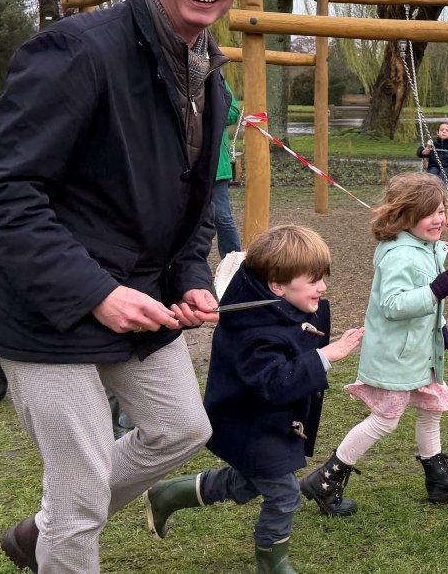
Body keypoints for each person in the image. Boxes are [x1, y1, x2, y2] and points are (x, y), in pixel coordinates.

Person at [0, 0, 244, 569]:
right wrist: (95, 292)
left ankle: (45, 530)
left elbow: (194, 205)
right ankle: (63, 528)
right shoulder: (77, 51)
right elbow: (0, 188)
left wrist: (194, 278)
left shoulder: (210, 75)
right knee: (80, 497)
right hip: (42, 303)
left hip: (138, 290)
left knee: (183, 427)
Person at [142, 225, 364, 573]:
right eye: (315, 279)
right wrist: (326, 357)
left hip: (269, 422)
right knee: (284, 493)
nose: (323, 286)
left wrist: (322, 351)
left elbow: (298, 350)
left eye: (324, 277)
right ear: (277, 284)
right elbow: (273, 383)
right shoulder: (252, 329)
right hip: (247, 424)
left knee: (248, 484)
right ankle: (272, 565)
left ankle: (170, 494)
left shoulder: (288, 305)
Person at [301, 172, 448, 516]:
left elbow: (426, 303)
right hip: (398, 354)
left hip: (420, 350)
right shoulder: (401, 254)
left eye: (441, 211)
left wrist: (441, 325)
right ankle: (326, 478)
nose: (438, 219)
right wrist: (434, 292)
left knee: (432, 407)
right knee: (385, 420)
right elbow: (392, 305)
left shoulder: (425, 247)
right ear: (405, 216)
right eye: (428, 213)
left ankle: (438, 477)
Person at [212, 84, 243, 258]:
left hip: (215, 166)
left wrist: (209, 109)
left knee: (222, 217)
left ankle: (233, 264)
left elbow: (233, 113)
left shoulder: (218, 79)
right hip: (184, 166)